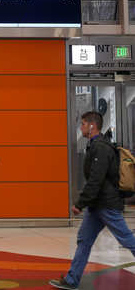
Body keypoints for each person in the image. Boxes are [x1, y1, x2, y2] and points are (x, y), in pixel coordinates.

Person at [49, 111, 135, 289]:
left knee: (126, 239)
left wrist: (80, 203)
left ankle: (72, 279)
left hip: (107, 204)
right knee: (84, 240)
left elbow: (96, 179)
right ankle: (72, 280)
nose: (81, 127)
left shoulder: (101, 148)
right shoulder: (95, 145)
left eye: (82, 124)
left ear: (91, 125)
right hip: (97, 205)